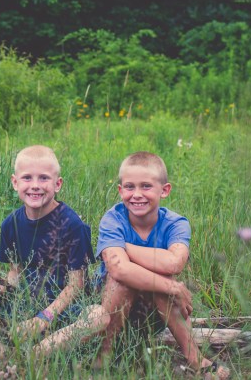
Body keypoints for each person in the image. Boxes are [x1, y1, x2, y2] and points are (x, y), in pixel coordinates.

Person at [0, 145, 107, 360]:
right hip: (22, 307)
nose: (35, 185)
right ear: (15, 182)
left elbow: (76, 285)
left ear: (57, 184)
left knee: (99, 316)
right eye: (27, 178)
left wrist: (43, 319)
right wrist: (3, 290)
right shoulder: (10, 224)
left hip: (62, 311)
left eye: (44, 178)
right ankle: (5, 355)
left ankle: (35, 356)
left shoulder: (72, 225)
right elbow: (16, 272)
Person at [95, 152, 229, 379]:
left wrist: (123, 248)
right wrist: (173, 287)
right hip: (110, 310)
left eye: (146, 186)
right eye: (129, 187)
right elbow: (119, 269)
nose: (137, 194)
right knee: (123, 280)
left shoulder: (175, 223)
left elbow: (174, 262)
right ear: (120, 191)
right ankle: (102, 357)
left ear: (164, 190)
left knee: (158, 278)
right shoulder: (114, 219)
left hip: (154, 314)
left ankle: (195, 359)